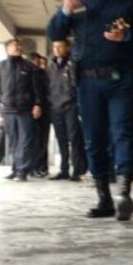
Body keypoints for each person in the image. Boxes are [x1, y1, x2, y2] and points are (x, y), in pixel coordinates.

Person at [46, 0, 133, 221]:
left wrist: (127, 35)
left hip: (122, 78)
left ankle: (124, 191)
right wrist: (64, 11)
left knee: (122, 132)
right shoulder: (78, 1)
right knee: (94, 139)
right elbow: (55, 34)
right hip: (88, 81)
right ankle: (103, 197)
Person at [0, 39, 43, 182]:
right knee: (13, 141)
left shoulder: (29, 67)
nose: (18, 47)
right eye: (14, 46)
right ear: (7, 49)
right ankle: (15, 169)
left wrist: (37, 104)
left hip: (25, 109)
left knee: (25, 140)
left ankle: (22, 171)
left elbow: (37, 89)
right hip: (7, 110)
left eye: (19, 45)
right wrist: (0, 98)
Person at [47, 40, 86, 181]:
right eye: (54, 47)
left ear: (67, 47)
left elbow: (78, 84)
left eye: (60, 46)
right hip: (55, 107)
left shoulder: (73, 64)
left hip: (71, 106)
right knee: (61, 139)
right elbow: (48, 86)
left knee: (74, 139)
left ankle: (77, 170)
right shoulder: (51, 66)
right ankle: (63, 169)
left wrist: (78, 105)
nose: (56, 49)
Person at [28, 52, 51, 177]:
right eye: (37, 62)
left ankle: (41, 167)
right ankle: (32, 167)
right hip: (29, 110)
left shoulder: (45, 75)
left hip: (45, 110)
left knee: (41, 140)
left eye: (42, 63)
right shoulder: (28, 74)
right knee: (32, 141)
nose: (40, 65)